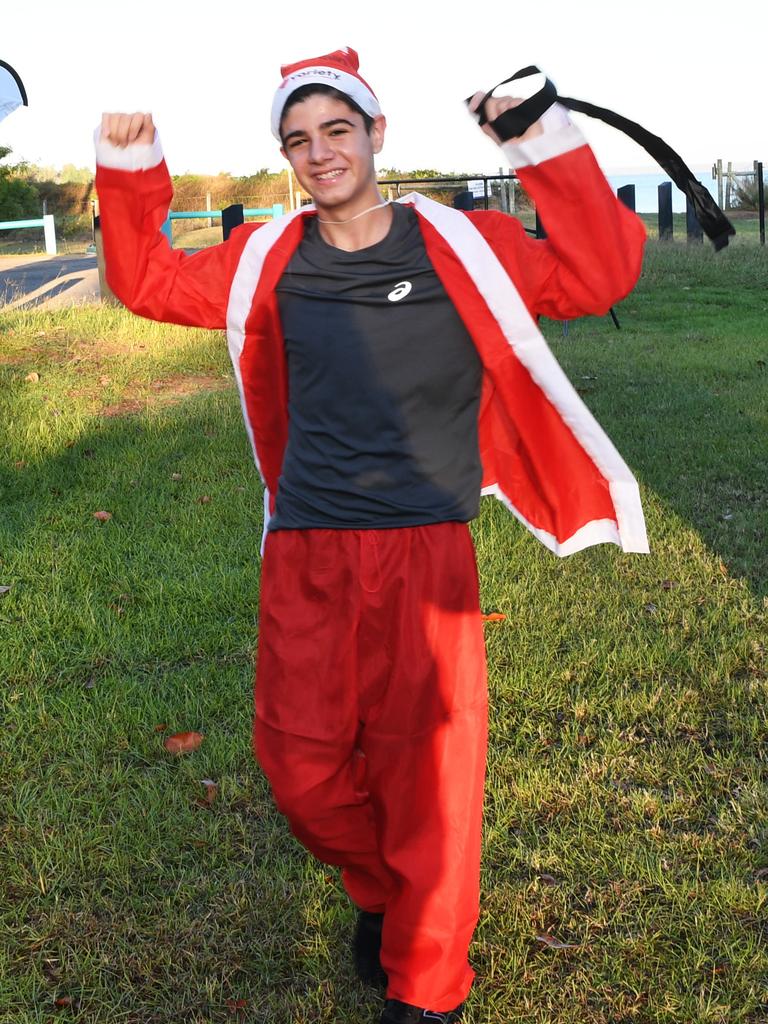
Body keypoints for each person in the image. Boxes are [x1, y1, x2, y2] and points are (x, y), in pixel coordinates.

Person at [96, 46, 647, 1024]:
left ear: (376, 134)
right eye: (297, 140)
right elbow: (144, 281)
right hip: (306, 553)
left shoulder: (458, 243)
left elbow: (600, 269)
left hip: (426, 551)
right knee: (300, 769)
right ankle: (380, 892)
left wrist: (533, 133)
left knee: (430, 774)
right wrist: (130, 170)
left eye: (336, 130)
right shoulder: (268, 259)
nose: (319, 152)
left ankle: (427, 989)